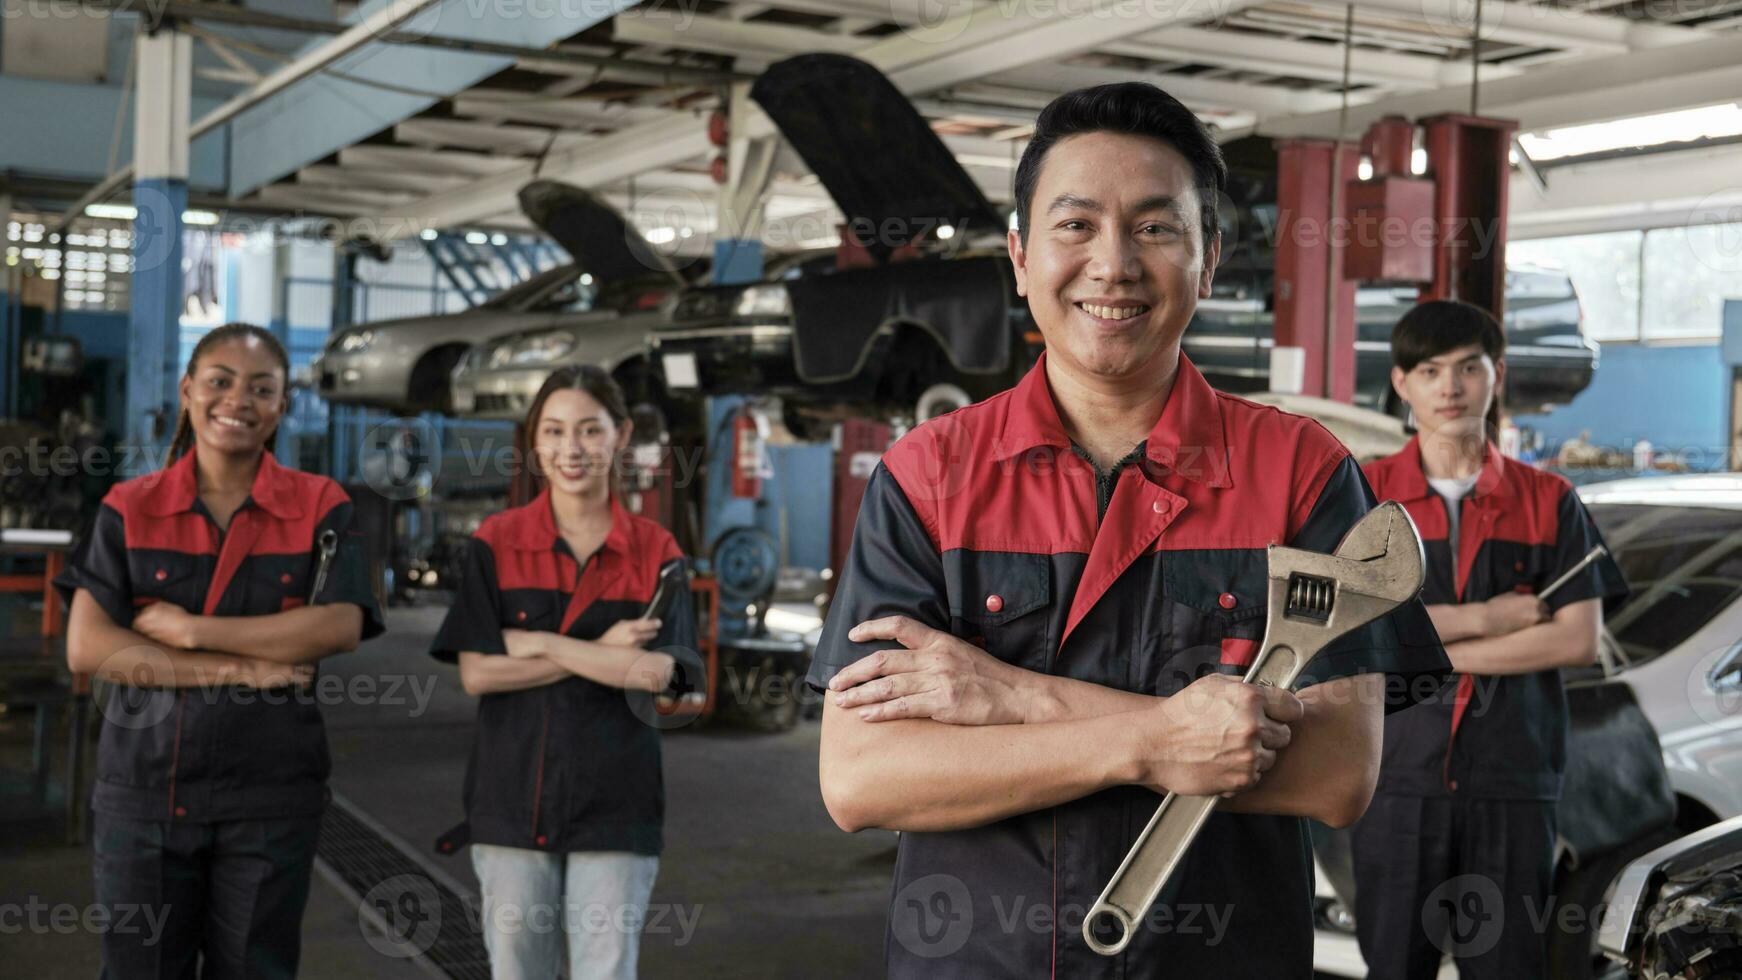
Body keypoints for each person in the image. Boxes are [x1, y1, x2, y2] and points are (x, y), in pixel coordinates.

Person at [808, 82, 1451, 977]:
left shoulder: (1300, 473)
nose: (1113, 265)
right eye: (1076, 226)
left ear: (1210, 257)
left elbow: (1337, 776)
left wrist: (1016, 696)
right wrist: (1154, 739)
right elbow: (863, 777)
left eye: (1155, 227)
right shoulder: (929, 478)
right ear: (1022, 255)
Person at [57, 322, 384, 978]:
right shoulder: (129, 508)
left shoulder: (322, 506)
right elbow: (90, 647)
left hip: (268, 799)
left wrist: (192, 630)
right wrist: (238, 668)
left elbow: (339, 625)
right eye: (219, 382)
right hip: (145, 796)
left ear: (282, 406)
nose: (238, 399)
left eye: (262, 388)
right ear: (187, 391)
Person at [1352, 300, 1628, 978]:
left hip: (1512, 781)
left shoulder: (1550, 499)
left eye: (1468, 368)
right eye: (1430, 370)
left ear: (1496, 375)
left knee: (1509, 966)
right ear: (1402, 383)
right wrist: (1488, 618)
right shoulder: (1364, 494)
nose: (1449, 388)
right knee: (1393, 966)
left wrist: (1420, 641)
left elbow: (1574, 641)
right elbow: (1350, 624)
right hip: (1395, 777)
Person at [429, 365, 701, 980]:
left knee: (605, 972)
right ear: (533, 440)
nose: (570, 449)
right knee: (518, 971)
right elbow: (478, 675)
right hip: (509, 801)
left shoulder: (657, 552)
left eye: (588, 430)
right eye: (553, 431)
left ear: (620, 435)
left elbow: (667, 676)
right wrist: (605, 654)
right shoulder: (495, 543)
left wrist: (540, 643)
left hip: (616, 804)